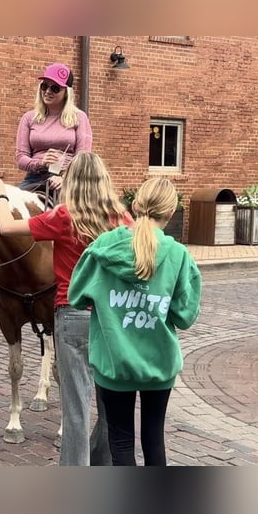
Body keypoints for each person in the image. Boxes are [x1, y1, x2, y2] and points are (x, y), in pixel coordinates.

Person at [0, 151, 132, 466]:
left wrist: (0, 194)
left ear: (72, 182)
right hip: (111, 317)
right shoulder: (121, 218)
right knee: (110, 406)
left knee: (76, 407)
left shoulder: (65, 216)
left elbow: (8, 228)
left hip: (72, 315)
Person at [69, 177, 202, 466]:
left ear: (135, 204)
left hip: (114, 364)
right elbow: (185, 315)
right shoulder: (178, 255)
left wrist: (108, 300)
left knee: (120, 443)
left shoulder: (104, 246)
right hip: (159, 364)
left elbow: (77, 295)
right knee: (154, 440)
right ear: (170, 213)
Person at [0, 62, 93, 318]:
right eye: (44, 85)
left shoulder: (78, 118)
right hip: (33, 178)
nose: (48, 91)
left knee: (83, 226)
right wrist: (42, 162)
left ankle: (86, 288)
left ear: (66, 92)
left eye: (55, 87)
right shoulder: (29, 118)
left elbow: (84, 155)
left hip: (69, 180)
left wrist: (66, 175)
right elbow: (21, 158)